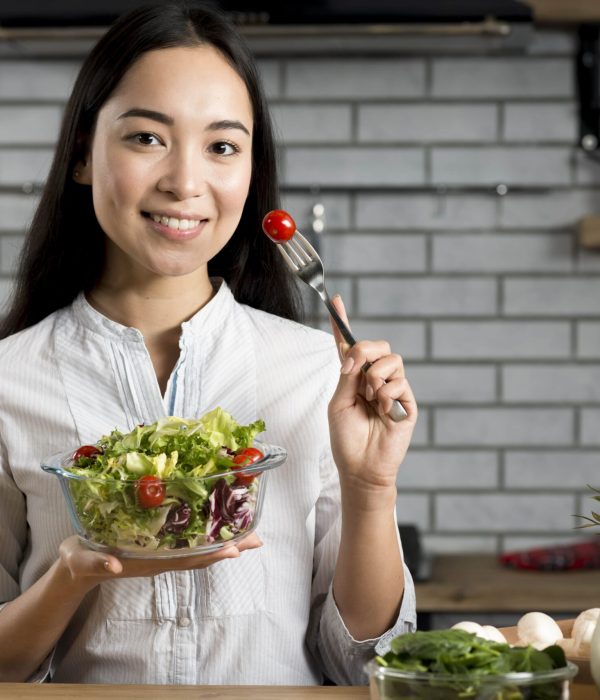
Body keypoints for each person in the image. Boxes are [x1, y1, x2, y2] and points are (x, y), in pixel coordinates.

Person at [0, 1, 417, 686]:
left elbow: (366, 666)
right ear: (81, 154)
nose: (185, 183)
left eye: (222, 146)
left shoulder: (313, 370)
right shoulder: (9, 380)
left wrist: (371, 487)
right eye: (147, 138)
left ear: (252, 172)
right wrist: (72, 575)